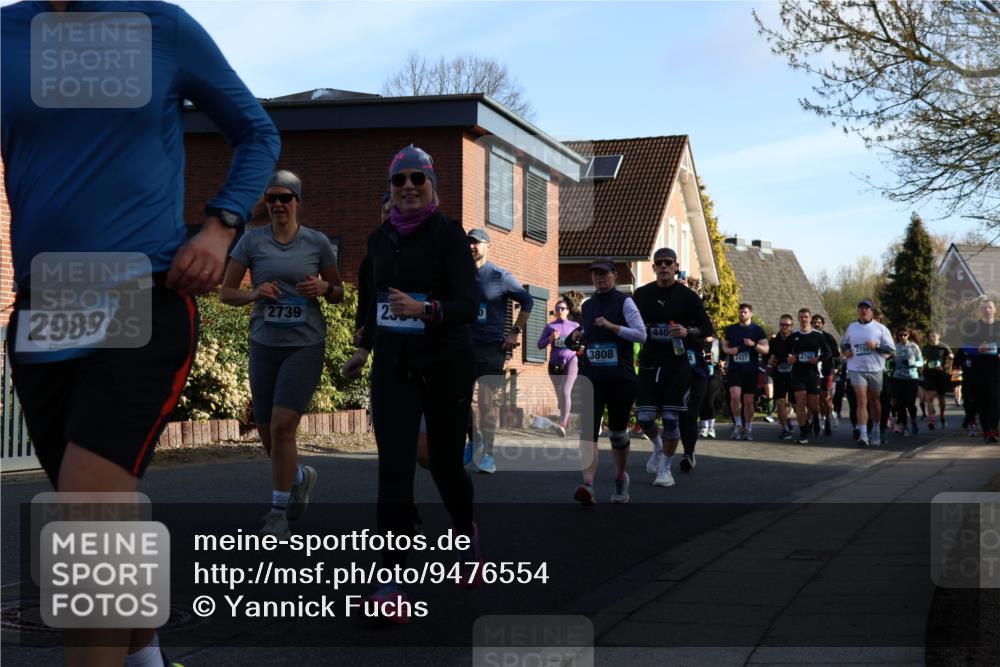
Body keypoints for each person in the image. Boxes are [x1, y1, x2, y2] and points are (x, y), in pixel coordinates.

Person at [2, 2, 279, 665]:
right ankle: (145, 653)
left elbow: (257, 132)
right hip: (45, 309)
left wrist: (220, 226)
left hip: (144, 296)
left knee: (88, 511)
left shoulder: (164, 28)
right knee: (96, 507)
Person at [342, 145, 481, 619]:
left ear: (431, 184)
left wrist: (428, 310)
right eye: (398, 180)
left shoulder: (449, 236)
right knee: (394, 470)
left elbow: (470, 304)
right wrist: (364, 347)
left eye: (416, 180)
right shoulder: (379, 239)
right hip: (394, 366)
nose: (407, 188)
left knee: (443, 466)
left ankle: (466, 532)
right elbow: (373, 302)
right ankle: (391, 581)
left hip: (445, 362)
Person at [221, 171, 342, 538]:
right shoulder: (251, 242)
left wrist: (324, 287)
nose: (277, 204)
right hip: (264, 342)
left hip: (305, 343)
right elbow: (226, 293)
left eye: (285, 198)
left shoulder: (317, 243)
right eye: (271, 198)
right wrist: (255, 295)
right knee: (266, 433)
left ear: (297, 203)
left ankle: (277, 511)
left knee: (283, 425)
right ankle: (300, 476)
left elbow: (339, 293)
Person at [565, 258, 646, 504]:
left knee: (617, 435)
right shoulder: (588, 306)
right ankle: (587, 485)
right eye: (595, 275)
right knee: (587, 432)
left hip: (620, 378)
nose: (599, 278)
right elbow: (588, 333)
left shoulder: (625, 302)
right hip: (592, 377)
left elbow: (642, 334)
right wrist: (577, 335)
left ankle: (621, 477)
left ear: (614, 275)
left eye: (604, 274)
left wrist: (613, 327)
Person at [632, 248, 713, 485]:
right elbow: (626, 322)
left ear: (676, 266)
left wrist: (688, 331)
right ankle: (658, 448)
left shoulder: (688, 297)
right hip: (649, 363)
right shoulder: (642, 294)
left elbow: (707, 329)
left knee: (670, 418)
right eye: (660, 263)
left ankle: (665, 469)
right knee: (645, 417)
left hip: (677, 365)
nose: (664, 266)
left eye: (669, 263)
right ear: (654, 267)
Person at [466, 227, 533, 473]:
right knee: (459, 400)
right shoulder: (459, 275)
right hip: (464, 347)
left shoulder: (499, 275)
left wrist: (515, 331)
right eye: (469, 243)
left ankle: (489, 455)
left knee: (485, 402)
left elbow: (527, 300)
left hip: (491, 347)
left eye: (477, 243)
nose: (472, 246)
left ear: (487, 246)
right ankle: (475, 440)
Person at [840, 300, 895, 446]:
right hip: (856, 369)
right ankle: (863, 434)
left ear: (871, 312)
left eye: (867, 308)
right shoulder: (852, 327)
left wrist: (876, 346)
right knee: (861, 400)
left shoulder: (880, 329)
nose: (864, 311)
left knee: (875, 400)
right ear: (858, 311)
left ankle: (876, 429)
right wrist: (846, 350)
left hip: (875, 369)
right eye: (861, 308)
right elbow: (843, 342)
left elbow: (890, 350)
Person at [722, 304, 769, 441]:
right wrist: (730, 351)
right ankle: (738, 425)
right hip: (735, 369)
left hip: (750, 370)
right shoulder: (731, 329)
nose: (742, 314)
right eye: (740, 312)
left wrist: (753, 344)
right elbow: (724, 346)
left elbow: (766, 349)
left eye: (745, 312)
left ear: (750, 314)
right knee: (735, 396)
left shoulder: (757, 330)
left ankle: (748, 427)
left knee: (748, 401)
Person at [538, 299, 581, 438]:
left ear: (568, 311)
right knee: (560, 395)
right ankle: (565, 422)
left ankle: (562, 424)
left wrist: (580, 348)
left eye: (562, 308)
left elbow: (582, 343)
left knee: (565, 390)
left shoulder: (575, 326)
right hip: (554, 364)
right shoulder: (550, 326)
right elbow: (539, 345)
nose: (559, 311)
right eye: (557, 309)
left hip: (571, 360)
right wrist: (550, 338)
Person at [787, 308, 831, 444]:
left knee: (814, 406)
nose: (804, 319)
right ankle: (804, 432)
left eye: (806, 317)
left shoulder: (818, 336)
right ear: (798, 319)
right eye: (801, 317)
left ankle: (816, 418)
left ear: (810, 318)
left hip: (813, 374)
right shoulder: (793, 336)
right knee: (800, 402)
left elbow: (828, 353)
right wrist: (790, 359)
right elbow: (786, 353)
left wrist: (818, 358)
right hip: (798, 373)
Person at [958, 299, 999, 443]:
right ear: (981, 311)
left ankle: (993, 430)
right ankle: (987, 430)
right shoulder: (973, 327)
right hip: (979, 369)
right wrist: (977, 350)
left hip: (996, 368)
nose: (987, 310)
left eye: (990, 307)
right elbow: (964, 348)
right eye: (985, 308)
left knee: (995, 398)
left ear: (994, 310)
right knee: (983, 401)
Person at [768, 314, 797, 440]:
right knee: (780, 403)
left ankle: (805, 424)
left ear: (791, 326)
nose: (784, 327)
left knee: (795, 403)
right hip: (779, 374)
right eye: (782, 324)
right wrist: (770, 360)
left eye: (787, 325)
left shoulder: (796, 339)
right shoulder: (774, 341)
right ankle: (785, 429)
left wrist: (795, 359)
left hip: (793, 375)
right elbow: (768, 357)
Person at [890, 326, 923, 436]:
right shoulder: (895, 347)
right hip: (898, 378)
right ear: (897, 336)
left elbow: (921, 362)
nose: (902, 337)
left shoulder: (913, 346)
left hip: (911, 378)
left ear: (908, 335)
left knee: (910, 403)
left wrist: (913, 364)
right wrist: (891, 364)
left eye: (905, 335)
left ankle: (913, 420)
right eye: (900, 335)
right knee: (900, 404)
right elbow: (889, 359)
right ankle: (904, 426)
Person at [812, 314, 841, 436]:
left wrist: (835, 367)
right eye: (814, 322)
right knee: (816, 398)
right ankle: (818, 421)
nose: (816, 324)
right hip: (813, 371)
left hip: (827, 370)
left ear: (822, 324)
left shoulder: (828, 337)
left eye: (818, 322)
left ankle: (828, 418)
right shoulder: (809, 336)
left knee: (825, 397)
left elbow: (835, 353)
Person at [921, 331, 953, 430]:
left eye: (934, 336)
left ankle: (942, 415)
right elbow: (922, 359)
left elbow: (951, 358)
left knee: (941, 399)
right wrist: (922, 366)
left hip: (941, 375)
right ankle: (931, 420)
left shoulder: (944, 347)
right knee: (929, 397)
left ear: (938, 337)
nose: (932, 338)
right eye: (930, 336)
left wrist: (944, 366)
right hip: (929, 375)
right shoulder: (925, 348)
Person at [698, 338, 722, 440]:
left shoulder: (717, 343)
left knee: (709, 400)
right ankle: (704, 426)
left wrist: (723, 363)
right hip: (700, 375)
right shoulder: (697, 342)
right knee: (702, 400)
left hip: (714, 375)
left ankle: (711, 427)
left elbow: (726, 356)